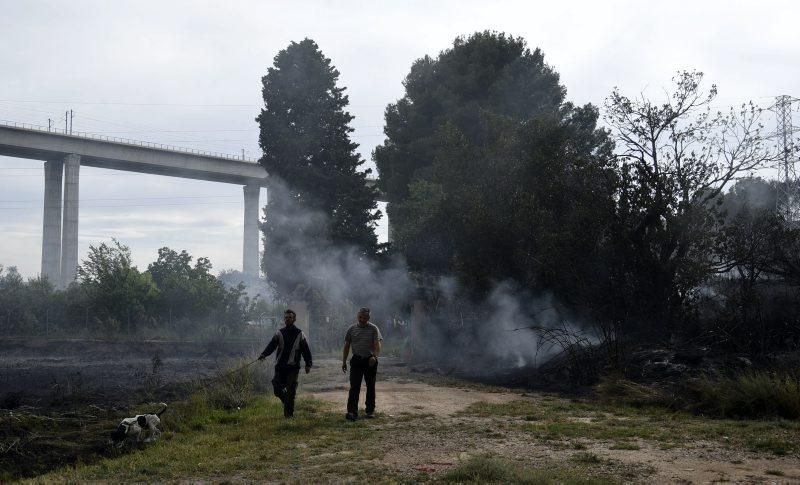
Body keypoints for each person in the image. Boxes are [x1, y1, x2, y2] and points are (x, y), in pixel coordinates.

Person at [258, 309, 312, 418]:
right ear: (284, 319)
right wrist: (264, 354)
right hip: (280, 366)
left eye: (290, 317)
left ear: (294, 319)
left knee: (291, 392)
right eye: (286, 317)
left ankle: (289, 416)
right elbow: (272, 345)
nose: (287, 319)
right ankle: (286, 402)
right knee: (277, 389)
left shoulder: (300, 334)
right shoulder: (279, 333)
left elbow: (306, 350)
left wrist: (308, 364)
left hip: (293, 367)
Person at [342, 307, 383, 420]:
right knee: (354, 386)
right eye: (360, 317)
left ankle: (370, 411)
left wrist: (375, 356)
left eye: (365, 317)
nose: (362, 319)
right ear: (357, 316)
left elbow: (377, 344)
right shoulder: (351, 329)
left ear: (368, 318)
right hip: (356, 360)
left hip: (370, 360)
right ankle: (352, 412)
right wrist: (344, 361)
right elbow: (346, 346)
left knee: (370, 386)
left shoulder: (374, 328)